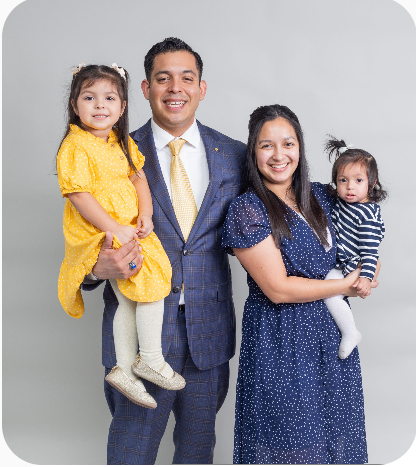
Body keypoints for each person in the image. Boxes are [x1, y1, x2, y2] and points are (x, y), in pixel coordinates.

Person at [82, 38, 246, 464]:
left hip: (209, 336)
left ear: (201, 88)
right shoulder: (109, 151)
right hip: (139, 341)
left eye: (187, 78)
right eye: (163, 78)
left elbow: (277, 213)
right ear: (145, 88)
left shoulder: (234, 155)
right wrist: (96, 268)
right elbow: (77, 230)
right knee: (130, 454)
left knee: (197, 453)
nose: (176, 88)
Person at [222, 104, 376, 464]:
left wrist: (368, 269)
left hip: (332, 337)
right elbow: (278, 289)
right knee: (293, 445)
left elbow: (363, 240)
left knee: (333, 439)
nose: (279, 155)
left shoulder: (323, 196)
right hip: (282, 340)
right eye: (267, 146)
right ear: (253, 151)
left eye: (288, 144)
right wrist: (346, 285)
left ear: (300, 148)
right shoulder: (248, 210)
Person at [57, 63, 185, 410]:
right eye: (89, 97)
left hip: (130, 227)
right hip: (103, 231)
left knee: (131, 297)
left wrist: (146, 214)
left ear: (123, 106)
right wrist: (113, 228)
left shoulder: (120, 142)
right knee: (154, 283)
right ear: (74, 104)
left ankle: (125, 369)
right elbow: (79, 194)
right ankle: (151, 359)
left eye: (109, 98)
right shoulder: (75, 145)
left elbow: (138, 178)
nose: (100, 105)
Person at [323, 136, 386, 359]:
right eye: (343, 180)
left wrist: (366, 278)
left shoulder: (367, 216)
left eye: (358, 180)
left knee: (329, 294)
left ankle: (350, 332)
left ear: (372, 182)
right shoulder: (344, 202)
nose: (350, 187)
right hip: (340, 261)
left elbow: (370, 253)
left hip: (352, 265)